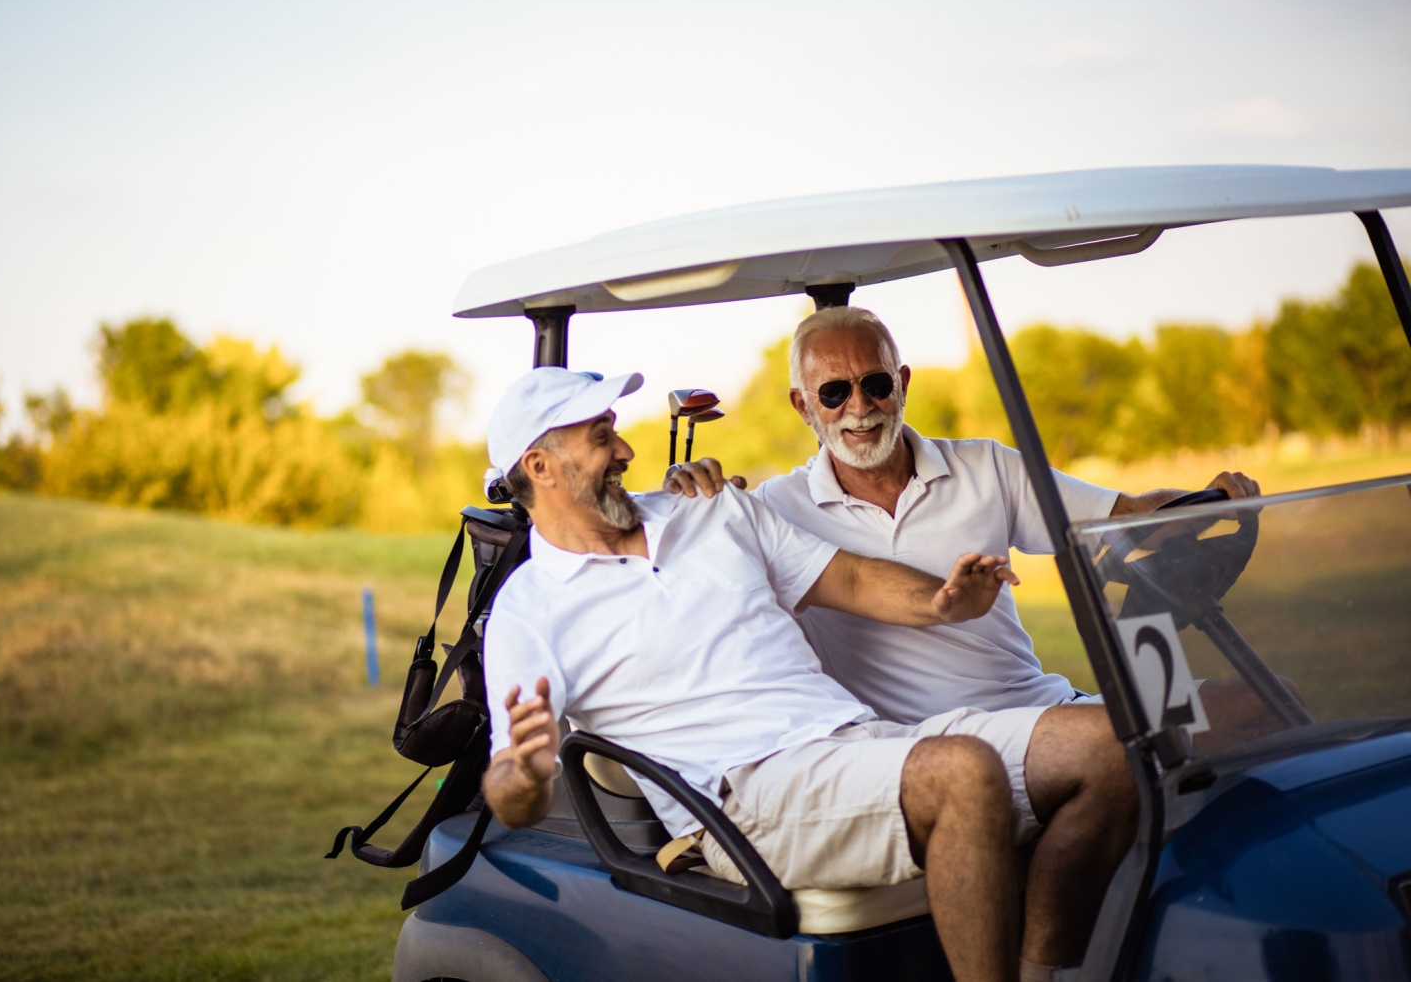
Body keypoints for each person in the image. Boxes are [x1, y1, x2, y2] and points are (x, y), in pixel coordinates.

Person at [481, 366, 1138, 982]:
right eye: (601, 439)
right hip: (737, 797)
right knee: (963, 771)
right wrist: (530, 770)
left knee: (1112, 744)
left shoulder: (707, 509)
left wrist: (942, 601)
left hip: (855, 740)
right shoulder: (529, 607)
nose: (624, 450)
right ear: (541, 466)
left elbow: (847, 575)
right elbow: (512, 790)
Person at [669, 305, 1261, 726]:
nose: (860, 407)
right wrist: (688, 495)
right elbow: (685, 581)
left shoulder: (985, 466)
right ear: (803, 405)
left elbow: (1122, 516)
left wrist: (1208, 501)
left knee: (1260, 705)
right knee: (1132, 751)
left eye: (875, 384)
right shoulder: (777, 510)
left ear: (902, 385)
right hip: (922, 745)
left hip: (1039, 707)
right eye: (833, 393)